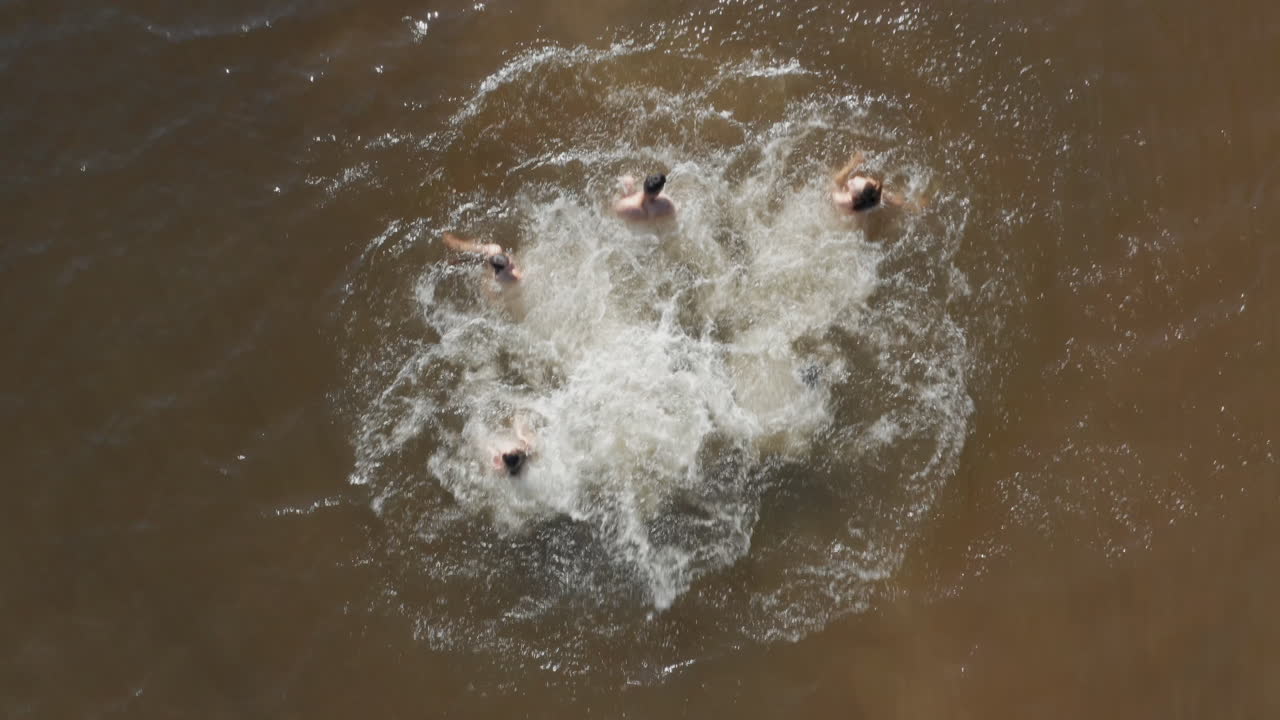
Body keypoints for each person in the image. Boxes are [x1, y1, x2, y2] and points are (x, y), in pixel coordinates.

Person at [830, 151, 912, 215]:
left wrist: (851, 165)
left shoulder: (842, 199)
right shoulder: (875, 195)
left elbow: (834, 182)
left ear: (854, 197)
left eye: (852, 184)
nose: (850, 181)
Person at [442, 231, 523, 285]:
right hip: (489, 263)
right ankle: (451, 243)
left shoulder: (497, 277)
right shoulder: (493, 251)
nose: (511, 267)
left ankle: (457, 254)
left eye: (510, 266)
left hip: (491, 267)